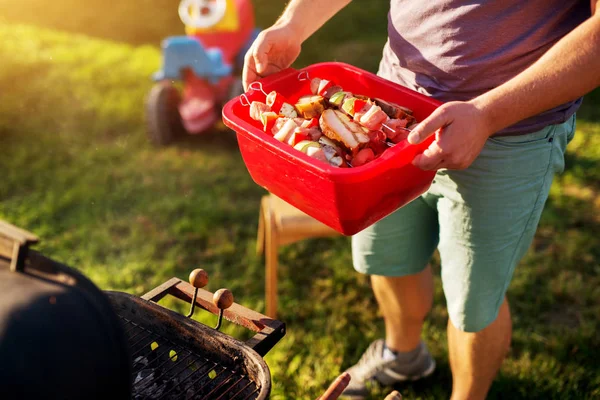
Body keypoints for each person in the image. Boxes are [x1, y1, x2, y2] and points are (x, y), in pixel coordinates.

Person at [242, 1, 600, 399]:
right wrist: (293, 23)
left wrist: (487, 114)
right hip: (390, 105)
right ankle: (404, 355)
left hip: (509, 133)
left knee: (474, 302)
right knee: (388, 256)